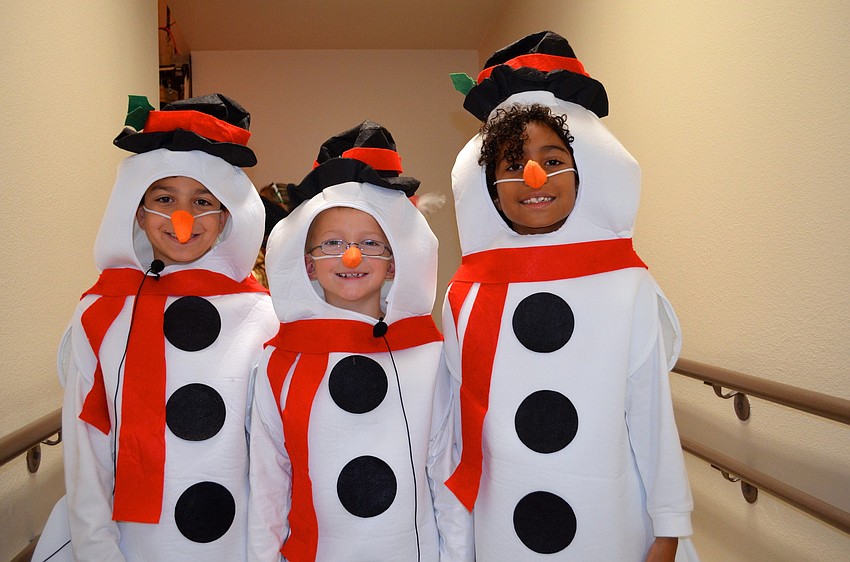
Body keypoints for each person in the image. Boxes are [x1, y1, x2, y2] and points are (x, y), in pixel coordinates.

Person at [443, 31, 697, 561]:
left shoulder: (627, 286)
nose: (533, 175)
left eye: (552, 158)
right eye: (511, 164)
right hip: (503, 522)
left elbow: (651, 415)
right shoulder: (465, 293)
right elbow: (458, 425)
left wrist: (669, 527)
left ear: (586, 169)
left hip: (610, 519)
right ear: (490, 184)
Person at [33, 93, 279, 562]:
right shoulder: (100, 312)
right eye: (164, 199)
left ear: (226, 214)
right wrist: (98, 550)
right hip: (130, 544)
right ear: (139, 212)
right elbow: (87, 448)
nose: (182, 218)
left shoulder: (262, 315)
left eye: (202, 200)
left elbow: (270, 455)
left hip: (235, 545)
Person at [247, 121, 473, 562]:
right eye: (332, 243)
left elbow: (446, 477)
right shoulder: (279, 362)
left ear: (394, 263)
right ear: (307, 264)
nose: (351, 256)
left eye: (370, 242)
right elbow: (269, 486)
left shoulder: (428, 356)